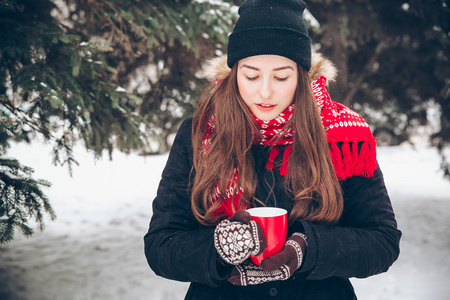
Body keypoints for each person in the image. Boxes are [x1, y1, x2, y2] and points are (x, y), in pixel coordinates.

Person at [144, 0, 401, 299]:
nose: (265, 91)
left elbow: (382, 242)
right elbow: (161, 245)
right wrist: (216, 249)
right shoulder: (198, 133)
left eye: (281, 77)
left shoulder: (343, 136)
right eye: (251, 76)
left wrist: (308, 248)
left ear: (301, 77)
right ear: (234, 74)